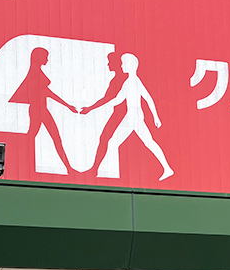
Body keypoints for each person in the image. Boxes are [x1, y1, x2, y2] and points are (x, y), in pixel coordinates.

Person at [82, 53, 173, 181]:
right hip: (131, 117)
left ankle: (167, 168)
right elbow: (118, 99)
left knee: (144, 142)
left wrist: (156, 117)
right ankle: (99, 171)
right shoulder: (130, 81)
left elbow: (146, 98)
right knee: (133, 142)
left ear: (130, 65)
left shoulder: (133, 81)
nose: (121, 66)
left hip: (134, 117)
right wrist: (93, 108)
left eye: (123, 63)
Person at [9, 47, 78, 176]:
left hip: (41, 109)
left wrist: (68, 106)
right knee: (39, 137)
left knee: (41, 137)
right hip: (38, 110)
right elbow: (48, 93)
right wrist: (67, 105)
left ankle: (68, 168)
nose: (47, 59)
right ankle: (19, 164)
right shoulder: (35, 73)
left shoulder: (36, 72)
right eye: (45, 56)